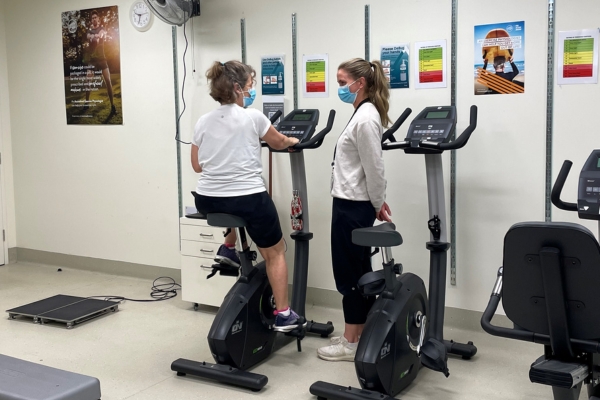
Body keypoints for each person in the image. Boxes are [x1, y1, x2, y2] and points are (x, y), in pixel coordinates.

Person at [191, 60, 302, 332]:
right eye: (251, 86)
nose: (252, 92)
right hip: (247, 198)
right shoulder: (253, 117)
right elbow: (277, 142)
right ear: (238, 89)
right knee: (275, 253)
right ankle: (285, 314)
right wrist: (292, 141)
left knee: (234, 207)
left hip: (206, 199)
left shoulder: (203, 121)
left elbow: (197, 166)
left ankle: (228, 247)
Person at [317, 58, 392, 361]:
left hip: (352, 207)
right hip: (353, 204)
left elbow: (375, 169)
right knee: (360, 272)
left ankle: (350, 343)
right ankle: (358, 334)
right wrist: (377, 201)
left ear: (359, 84)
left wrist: (377, 203)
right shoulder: (363, 113)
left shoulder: (365, 118)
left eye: (342, 81)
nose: (339, 87)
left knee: (348, 276)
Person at [84, 10, 116, 115]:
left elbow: (102, 34)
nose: (94, 19)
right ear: (91, 20)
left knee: (108, 81)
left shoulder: (102, 28)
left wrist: (98, 36)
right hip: (92, 60)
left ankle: (112, 106)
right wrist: (93, 37)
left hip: (102, 59)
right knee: (88, 81)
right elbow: (89, 37)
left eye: (95, 17)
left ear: (98, 19)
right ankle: (86, 103)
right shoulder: (89, 31)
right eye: (92, 18)